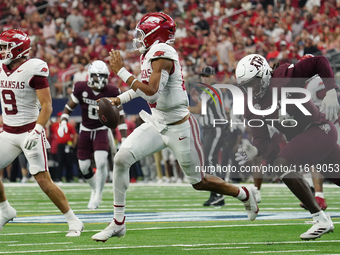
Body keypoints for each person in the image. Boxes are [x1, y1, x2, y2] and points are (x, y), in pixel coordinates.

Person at [91, 12, 259, 242]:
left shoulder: (163, 54)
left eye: (143, 33)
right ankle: (118, 222)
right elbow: (142, 88)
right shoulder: (150, 54)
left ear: (154, 34)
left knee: (199, 182)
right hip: (157, 121)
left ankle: (244, 194)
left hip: (180, 127)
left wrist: (121, 71)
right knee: (121, 159)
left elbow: (152, 91)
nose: (139, 37)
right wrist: (119, 100)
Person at [234, 53, 340, 240]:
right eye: (246, 85)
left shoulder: (284, 78)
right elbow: (262, 140)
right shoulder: (251, 105)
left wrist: (331, 91)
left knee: (281, 164)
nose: (250, 89)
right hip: (305, 139)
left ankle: (320, 219)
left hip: (318, 129)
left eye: (253, 83)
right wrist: (255, 149)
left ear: (265, 75)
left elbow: (319, 61)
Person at [0, 29, 83, 236]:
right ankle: (5, 210)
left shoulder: (34, 69)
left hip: (30, 131)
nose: (1, 51)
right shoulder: (1, 68)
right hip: (8, 132)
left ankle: (74, 220)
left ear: (17, 49)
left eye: (4, 47)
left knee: (43, 181)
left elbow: (47, 105)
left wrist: (38, 130)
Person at [58, 60, 127, 210]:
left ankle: (98, 194)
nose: (100, 79)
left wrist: (124, 138)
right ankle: (95, 189)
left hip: (102, 130)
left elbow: (120, 116)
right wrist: (63, 122)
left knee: (101, 162)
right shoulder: (80, 87)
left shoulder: (112, 91)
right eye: (97, 76)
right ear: (90, 75)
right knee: (83, 167)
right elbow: (68, 108)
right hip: (85, 130)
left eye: (103, 76)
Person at [190, 66, 228, 206]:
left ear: (212, 76)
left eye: (207, 76)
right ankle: (217, 193)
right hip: (210, 129)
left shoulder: (211, 89)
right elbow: (202, 108)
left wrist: (181, 108)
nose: (204, 78)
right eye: (203, 76)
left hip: (215, 128)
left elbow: (199, 109)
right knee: (209, 160)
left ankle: (218, 194)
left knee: (209, 159)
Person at [51, 112, 77, 183]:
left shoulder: (69, 126)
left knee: (69, 162)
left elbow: (74, 134)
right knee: (60, 162)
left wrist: (74, 144)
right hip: (60, 146)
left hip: (68, 145)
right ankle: (58, 178)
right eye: (59, 117)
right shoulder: (55, 125)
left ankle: (69, 178)